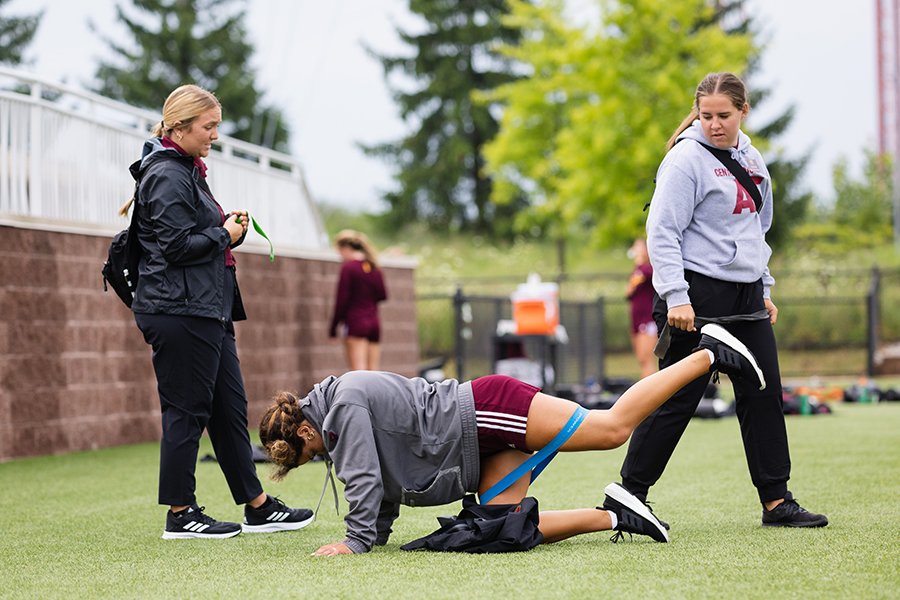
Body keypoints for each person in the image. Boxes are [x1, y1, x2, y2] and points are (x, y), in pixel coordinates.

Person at [258, 323, 767, 555]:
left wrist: (357, 541)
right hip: (473, 449)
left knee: (611, 429)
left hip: (483, 411)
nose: (319, 457)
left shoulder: (341, 407)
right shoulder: (338, 411)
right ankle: (617, 514)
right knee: (501, 529)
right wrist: (379, 534)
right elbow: (385, 480)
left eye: (309, 454)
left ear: (305, 430)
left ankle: (706, 354)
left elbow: (365, 479)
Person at [617, 72, 827, 529]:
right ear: (698, 113)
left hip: (746, 296)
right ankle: (628, 494)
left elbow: (756, 229)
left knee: (764, 393)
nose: (714, 123)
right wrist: (676, 295)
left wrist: (764, 287)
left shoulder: (752, 159)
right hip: (695, 296)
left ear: (743, 111)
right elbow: (662, 232)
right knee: (676, 398)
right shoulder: (685, 161)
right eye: (706, 115)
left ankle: (777, 501)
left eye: (724, 115)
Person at [128, 84, 313, 539]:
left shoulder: (187, 170)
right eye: (209, 126)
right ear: (181, 126)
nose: (214, 135)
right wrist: (223, 236)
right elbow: (174, 247)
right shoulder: (168, 174)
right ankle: (180, 513)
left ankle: (258, 506)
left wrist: (228, 229)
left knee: (228, 410)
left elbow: (192, 235)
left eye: (216, 126)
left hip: (206, 309)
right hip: (179, 310)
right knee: (185, 412)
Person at [328, 230, 388, 371]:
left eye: (340, 252)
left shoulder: (349, 268)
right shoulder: (374, 267)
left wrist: (333, 328)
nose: (340, 256)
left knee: (358, 372)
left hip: (356, 323)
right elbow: (382, 295)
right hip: (374, 324)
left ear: (346, 248)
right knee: (373, 371)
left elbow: (341, 300)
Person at [626, 238, 658, 379]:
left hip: (647, 320)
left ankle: (652, 394)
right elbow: (629, 292)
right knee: (641, 359)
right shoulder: (637, 271)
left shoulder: (647, 269)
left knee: (647, 358)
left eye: (639, 247)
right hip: (637, 321)